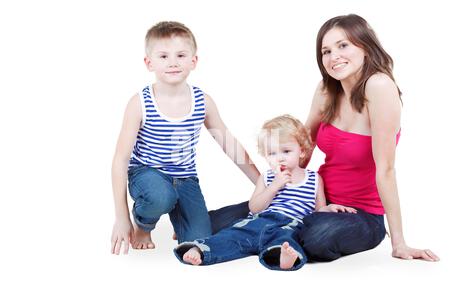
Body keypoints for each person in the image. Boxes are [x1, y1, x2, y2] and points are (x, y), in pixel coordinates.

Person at [210, 14, 439, 263]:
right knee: (214, 221)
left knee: (317, 237)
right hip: (314, 199)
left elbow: (386, 169)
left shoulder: (379, 86)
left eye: (343, 45)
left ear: (364, 45)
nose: (333, 57)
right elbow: (302, 148)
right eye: (326, 51)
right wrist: (278, 190)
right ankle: (276, 233)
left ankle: (275, 237)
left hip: (360, 214)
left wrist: (399, 243)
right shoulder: (326, 89)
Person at [110, 21, 259, 255]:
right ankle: (143, 224)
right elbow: (120, 161)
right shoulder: (139, 103)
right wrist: (121, 217)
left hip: (185, 179)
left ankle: (189, 220)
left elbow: (229, 144)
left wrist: (261, 183)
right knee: (161, 196)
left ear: (193, 61)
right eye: (163, 56)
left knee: (199, 241)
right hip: (147, 174)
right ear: (149, 63)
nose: (172, 62)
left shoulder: (203, 101)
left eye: (180, 55)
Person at [174, 115, 356, 270]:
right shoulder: (268, 177)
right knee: (231, 235)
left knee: (288, 240)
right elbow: (254, 207)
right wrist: (274, 187)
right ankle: (200, 250)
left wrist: (330, 209)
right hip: (260, 221)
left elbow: (317, 211)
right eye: (272, 153)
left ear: (302, 151)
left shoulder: (314, 179)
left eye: (286, 151)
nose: (280, 157)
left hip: (291, 225)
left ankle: (283, 257)